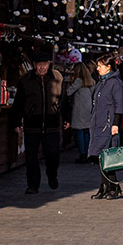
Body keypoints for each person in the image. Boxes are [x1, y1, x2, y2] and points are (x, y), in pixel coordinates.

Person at [11, 51, 64, 194]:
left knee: (53, 154)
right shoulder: (26, 80)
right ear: (34, 65)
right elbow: (19, 103)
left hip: (51, 124)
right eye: (39, 65)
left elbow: (63, 99)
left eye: (44, 64)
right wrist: (17, 122)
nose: (42, 68)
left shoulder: (57, 77)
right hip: (32, 124)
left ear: (49, 64)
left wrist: (67, 118)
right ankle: (33, 185)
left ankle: (52, 175)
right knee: (31, 157)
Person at [87, 53, 123, 197]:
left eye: (100, 66)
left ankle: (112, 187)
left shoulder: (115, 83)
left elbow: (118, 105)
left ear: (108, 67)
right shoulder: (101, 82)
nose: (98, 68)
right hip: (98, 123)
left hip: (108, 125)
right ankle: (106, 186)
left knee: (107, 157)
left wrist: (115, 124)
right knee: (102, 157)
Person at [65, 62, 96, 163]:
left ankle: (82, 153)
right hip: (88, 108)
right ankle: (88, 152)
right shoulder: (91, 81)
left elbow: (68, 92)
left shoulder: (78, 81)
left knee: (79, 130)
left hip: (79, 109)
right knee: (86, 131)